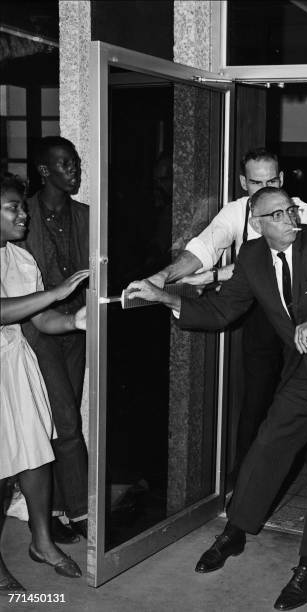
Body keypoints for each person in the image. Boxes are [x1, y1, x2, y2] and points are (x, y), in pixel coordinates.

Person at [126, 187, 307, 611]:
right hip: (305, 374)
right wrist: (164, 297)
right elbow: (223, 311)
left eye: (292, 211)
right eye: (278, 214)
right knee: (268, 444)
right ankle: (234, 533)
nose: (290, 219)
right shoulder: (252, 258)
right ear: (257, 224)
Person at [142, 148, 307, 478]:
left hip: (300, 316)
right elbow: (205, 247)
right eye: (256, 181)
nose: (265, 188)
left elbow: (272, 253)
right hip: (260, 314)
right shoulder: (235, 211)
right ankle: (243, 480)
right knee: (255, 400)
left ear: (283, 179)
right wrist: (162, 278)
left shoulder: (298, 210)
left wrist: (215, 276)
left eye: (273, 180)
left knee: (296, 400)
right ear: (242, 182)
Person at [1, 174, 88, 591]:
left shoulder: (20, 259)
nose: (23, 215)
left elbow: (41, 320)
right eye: (13, 207)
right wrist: (56, 293)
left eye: (21, 206)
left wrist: (74, 319)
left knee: (36, 456)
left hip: (16, 365)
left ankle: (42, 542)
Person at [18, 136, 89, 541]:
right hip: (36, 331)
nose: (74, 169)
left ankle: (59, 509)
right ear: (45, 171)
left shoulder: (85, 215)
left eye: (75, 162)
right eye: (65, 164)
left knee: (63, 422)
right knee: (65, 421)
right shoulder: (20, 214)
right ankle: (80, 512)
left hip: (75, 329)